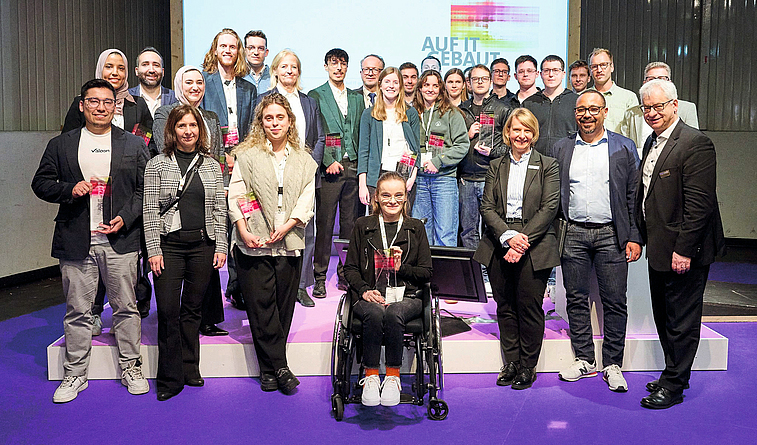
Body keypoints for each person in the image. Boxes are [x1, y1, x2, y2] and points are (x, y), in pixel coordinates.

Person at [33, 79, 150, 403]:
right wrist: (69, 190)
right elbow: (40, 183)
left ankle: (131, 367)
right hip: (76, 239)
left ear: (116, 107)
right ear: (82, 105)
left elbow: (145, 190)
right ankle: (75, 374)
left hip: (121, 241)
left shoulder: (133, 144)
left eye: (107, 102)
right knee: (78, 311)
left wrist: (125, 217)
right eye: (93, 101)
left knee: (126, 309)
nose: (101, 107)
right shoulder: (62, 144)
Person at [635, 80, 725, 409]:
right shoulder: (651, 142)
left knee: (682, 320)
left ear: (675, 105)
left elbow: (699, 207)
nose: (653, 113)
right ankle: (673, 372)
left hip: (684, 252)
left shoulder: (695, 143)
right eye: (647, 108)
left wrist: (684, 250)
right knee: (665, 315)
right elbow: (645, 194)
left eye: (659, 106)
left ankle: (674, 385)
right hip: (659, 248)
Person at [548, 90, 642, 392]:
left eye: (593, 109)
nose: (586, 115)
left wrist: (634, 236)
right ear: (575, 114)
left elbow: (633, 196)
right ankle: (585, 359)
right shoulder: (562, 148)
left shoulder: (623, 147)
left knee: (615, 302)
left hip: (612, 235)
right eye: (581, 110)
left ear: (604, 112)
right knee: (576, 299)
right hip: (572, 233)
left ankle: (613, 364)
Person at [228, 92, 317, 394]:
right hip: (254, 240)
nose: (275, 123)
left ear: (290, 121)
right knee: (260, 308)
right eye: (269, 118)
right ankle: (280, 367)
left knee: (281, 309)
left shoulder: (305, 160)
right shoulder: (247, 155)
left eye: (280, 117)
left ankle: (268, 370)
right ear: (261, 122)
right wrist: (242, 229)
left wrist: (289, 225)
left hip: (289, 240)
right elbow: (237, 194)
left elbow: (307, 198)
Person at [61, 49, 155, 327]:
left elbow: (145, 140)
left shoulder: (136, 104)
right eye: (109, 67)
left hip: (126, 191)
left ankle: (131, 311)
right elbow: (66, 146)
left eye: (121, 68)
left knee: (126, 259)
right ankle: (92, 313)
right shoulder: (82, 103)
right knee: (89, 258)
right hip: (88, 197)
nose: (115, 73)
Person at [143, 105, 227, 401]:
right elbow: (150, 211)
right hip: (169, 247)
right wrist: (153, 249)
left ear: (200, 130)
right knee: (167, 311)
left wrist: (221, 245)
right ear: (172, 130)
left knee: (192, 310)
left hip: (202, 246)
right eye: (182, 126)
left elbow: (219, 209)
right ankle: (169, 378)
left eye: (193, 125)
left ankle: (190, 368)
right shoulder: (157, 164)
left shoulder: (211, 166)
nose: (188, 131)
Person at [472, 108, 560, 390]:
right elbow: (486, 206)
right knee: (505, 305)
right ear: (507, 133)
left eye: (527, 130)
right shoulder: (496, 165)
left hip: (534, 243)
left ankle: (527, 366)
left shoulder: (548, 165)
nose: (521, 135)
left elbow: (549, 209)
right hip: (500, 241)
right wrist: (508, 237)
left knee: (529, 306)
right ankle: (511, 362)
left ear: (534, 135)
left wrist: (521, 241)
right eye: (515, 129)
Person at [343, 171, 433, 406]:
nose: (392, 201)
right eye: (386, 195)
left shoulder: (415, 228)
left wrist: (401, 267)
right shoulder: (363, 226)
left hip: (408, 295)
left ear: (405, 198)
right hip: (370, 293)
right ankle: (371, 377)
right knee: (374, 311)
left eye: (398, 195)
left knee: (394, 312)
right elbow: (350, 268)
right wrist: (364, 290)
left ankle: (393, 377)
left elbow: (427, 273)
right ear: (376, 198)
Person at [153, 66, 229, 335]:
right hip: (174, 197)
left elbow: (217, 154)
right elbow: (165, 144)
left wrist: (222, 183)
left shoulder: (210, 116)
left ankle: (206, 320)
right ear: (178, 85)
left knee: (206, 265)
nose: (195, 87)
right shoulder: (165, 112)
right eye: (189, 82)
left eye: (199, 82)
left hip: (208, 186)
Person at [256, 49, 325, 307]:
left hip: (304, 175)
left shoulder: (309, 102)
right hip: (273, 173)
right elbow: (257, 133)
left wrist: (310, 167)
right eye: (284, 66)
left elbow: (319, 137)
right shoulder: (263, 99)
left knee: (305, 229)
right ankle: (274, 282)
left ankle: (300, 285)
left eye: (294, 67)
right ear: (274, 70)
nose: (289, 71)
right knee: (272, 226)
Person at [201, 28, 257, 311]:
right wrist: (224, 155)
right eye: (223, 45)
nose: (228, 50)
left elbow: (251, 128)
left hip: (242, 164)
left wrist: (239, 155)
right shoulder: (205, 83)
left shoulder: (249, 88)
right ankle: (210, 296)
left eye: (233, 46)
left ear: (239, 52)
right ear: (215, 49)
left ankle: (237, 287)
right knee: (216, 224)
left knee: (241, 223)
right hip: (213, 163)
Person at [308, 49, 365, 298]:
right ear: (325, 66)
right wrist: (328, 160)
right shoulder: (315, 95)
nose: (338, 68)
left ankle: (345, 273)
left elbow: (362, 133)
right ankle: (320, 275)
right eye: (334, 63)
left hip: (352, 167)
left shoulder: (356, 97)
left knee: (350, 226)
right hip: (329, 169)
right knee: (325, 223)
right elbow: (314, 132)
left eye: (343, 63)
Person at [412, 70, 469, 246]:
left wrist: (439, 161)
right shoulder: (411, 113)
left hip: (443, 179)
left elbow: (463, 145)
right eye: (426, 85)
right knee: (420, 234)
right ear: (420, 88)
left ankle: (445, 274)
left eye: (435, 85)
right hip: (419, 181)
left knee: (445, 234)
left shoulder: (452, 113)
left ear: (441, 89)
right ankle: (424, 273)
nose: (430, 89)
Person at [458, 64, 512, 249]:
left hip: (491, 178)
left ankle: (491, 274)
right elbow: (451, 142)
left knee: (493, 229)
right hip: (466, 179)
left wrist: (493, 152)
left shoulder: (503, 109)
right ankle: (472, 275)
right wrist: (467, 134)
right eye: (475, 79)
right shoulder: (460, 110)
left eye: (484, 79)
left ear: (490, 82)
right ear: (469, 84)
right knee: (468, 230)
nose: (480, 82)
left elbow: (512, 145)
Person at [358, 67, 421, 209]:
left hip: (404, 175)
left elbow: (416, 148)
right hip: (377, 177)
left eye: (395, 82)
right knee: (377, 222)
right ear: (380, 85)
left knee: (402, 223)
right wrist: (363, 184)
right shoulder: (369, 114)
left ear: (400, 86)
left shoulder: (410, 113)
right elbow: (363, 151)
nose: (391, 86)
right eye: (387, 81)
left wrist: (412, 177)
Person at [619, 62, 700, 156]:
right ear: (644, 83)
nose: (656, 83)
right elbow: (624, 143)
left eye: (662, 79)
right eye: (651, 79)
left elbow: (692, 143)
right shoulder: (631, 113)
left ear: (670, 82)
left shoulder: (687, 108)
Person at [523, 55, 578, 155]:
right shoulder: (529, 104)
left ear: (563, 74)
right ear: (540, 74)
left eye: (555, 70)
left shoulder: (576, 101)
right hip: (536, 160)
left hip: (566, 159)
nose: (551, 75)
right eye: (547, 70)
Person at [587, 48, 638, 133]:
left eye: (603, 65)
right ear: (590, 70)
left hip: (619, 146)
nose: (599, 70)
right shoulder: (582, 97)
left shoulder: (629, 98)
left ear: (612, 67)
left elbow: (633, 132)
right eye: (594, 66)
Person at [128, 47, 177, 118]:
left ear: (163, 72)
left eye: (156, 65)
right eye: (145, 64)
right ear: (136, 71)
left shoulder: (175, 98)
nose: (151, 70)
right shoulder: (128, 97)